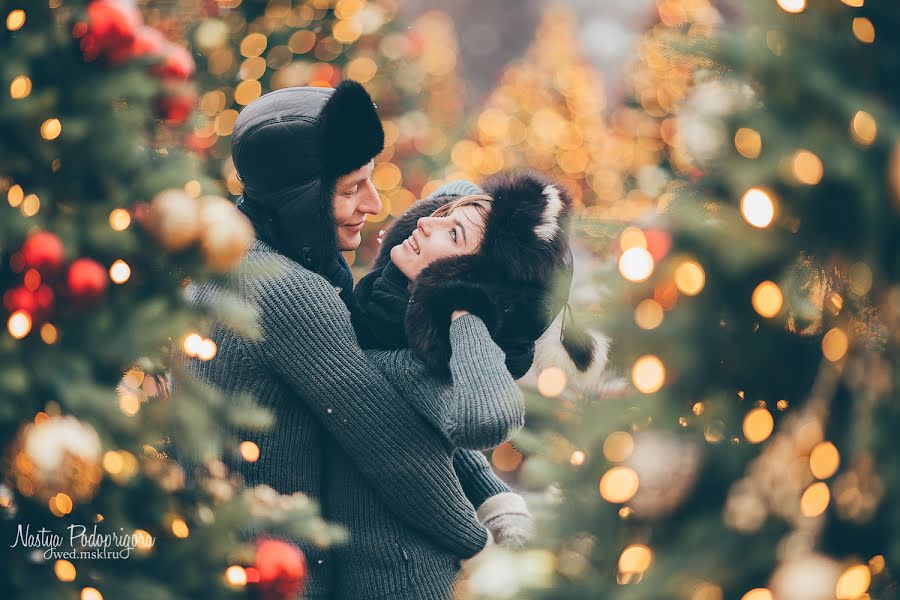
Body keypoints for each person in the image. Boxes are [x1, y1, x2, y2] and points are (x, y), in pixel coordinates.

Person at [180, 81, 521, 598]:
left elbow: (397, 400)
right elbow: (392, 446)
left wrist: (494, 496)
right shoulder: (285, 291)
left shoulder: (240, 248)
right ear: (301, 199)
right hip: (272, 573)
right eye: (349, 189)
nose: (376, 203)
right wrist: (479, 547)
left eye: (370, 180)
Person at [330, 171, 597, 598]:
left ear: (461, 278)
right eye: (439, 215)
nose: (425, 224)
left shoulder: (414, 365)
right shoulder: (377, 313)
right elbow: (452, 188)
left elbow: (488, 420)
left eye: (452, 233)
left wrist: (463, 311)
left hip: (404, 583)